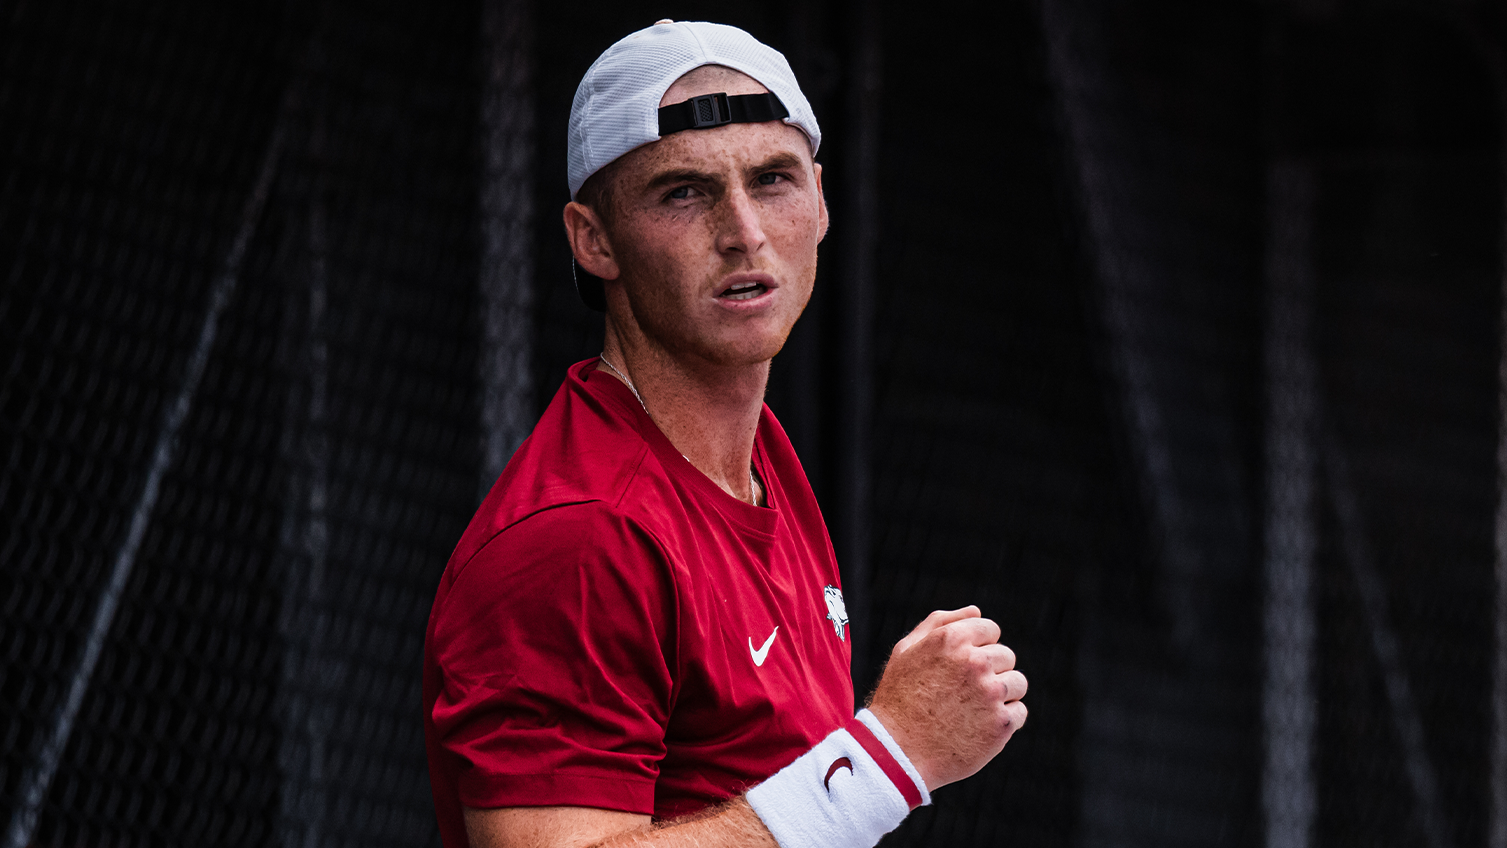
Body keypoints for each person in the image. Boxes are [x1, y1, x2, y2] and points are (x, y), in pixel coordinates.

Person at [423, 20, 1028, 848]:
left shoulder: (756, 459)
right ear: (592, 239)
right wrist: (888, 757)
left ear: (819, 201)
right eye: (683, 192)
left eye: (772, 179)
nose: (742, 230)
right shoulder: (583, 536)